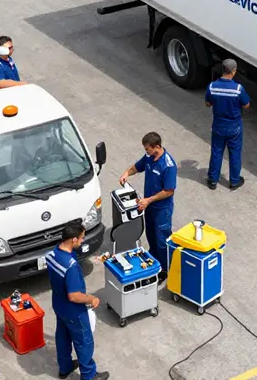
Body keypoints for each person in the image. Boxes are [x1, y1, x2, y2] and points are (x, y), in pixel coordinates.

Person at [46, 220, 109, 380]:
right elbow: (73, 295)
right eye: (81, 238)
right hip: (73, 309)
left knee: (62, 335)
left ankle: (65, 367)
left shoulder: (53, 254)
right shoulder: (71, 266)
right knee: (84, 341)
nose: (82, 241)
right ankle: (89, 375)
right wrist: (91, 298)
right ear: (73, 239)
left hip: (58, 304)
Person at [118, 132, 177, 280]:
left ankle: (164, 270)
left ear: (157, 146)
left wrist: (149, 200)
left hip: (162, 210)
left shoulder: (168, 166)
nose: (146, 152)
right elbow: (137, 167)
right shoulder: (149, 158)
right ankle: (154, 260)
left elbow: (169, 191)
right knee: (150, 234)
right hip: (149, 206)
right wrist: (127, 173)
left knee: (162, 240)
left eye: (148, 149)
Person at [205, 58, 251, 191]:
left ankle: (213, 180)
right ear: (234, 71)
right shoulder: (238, 88)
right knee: (235, 152)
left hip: (218, 125)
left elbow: (208, 103)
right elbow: (246, 104)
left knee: (216, 151)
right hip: (234, 126)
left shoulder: (212, 86)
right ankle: (234, 181)